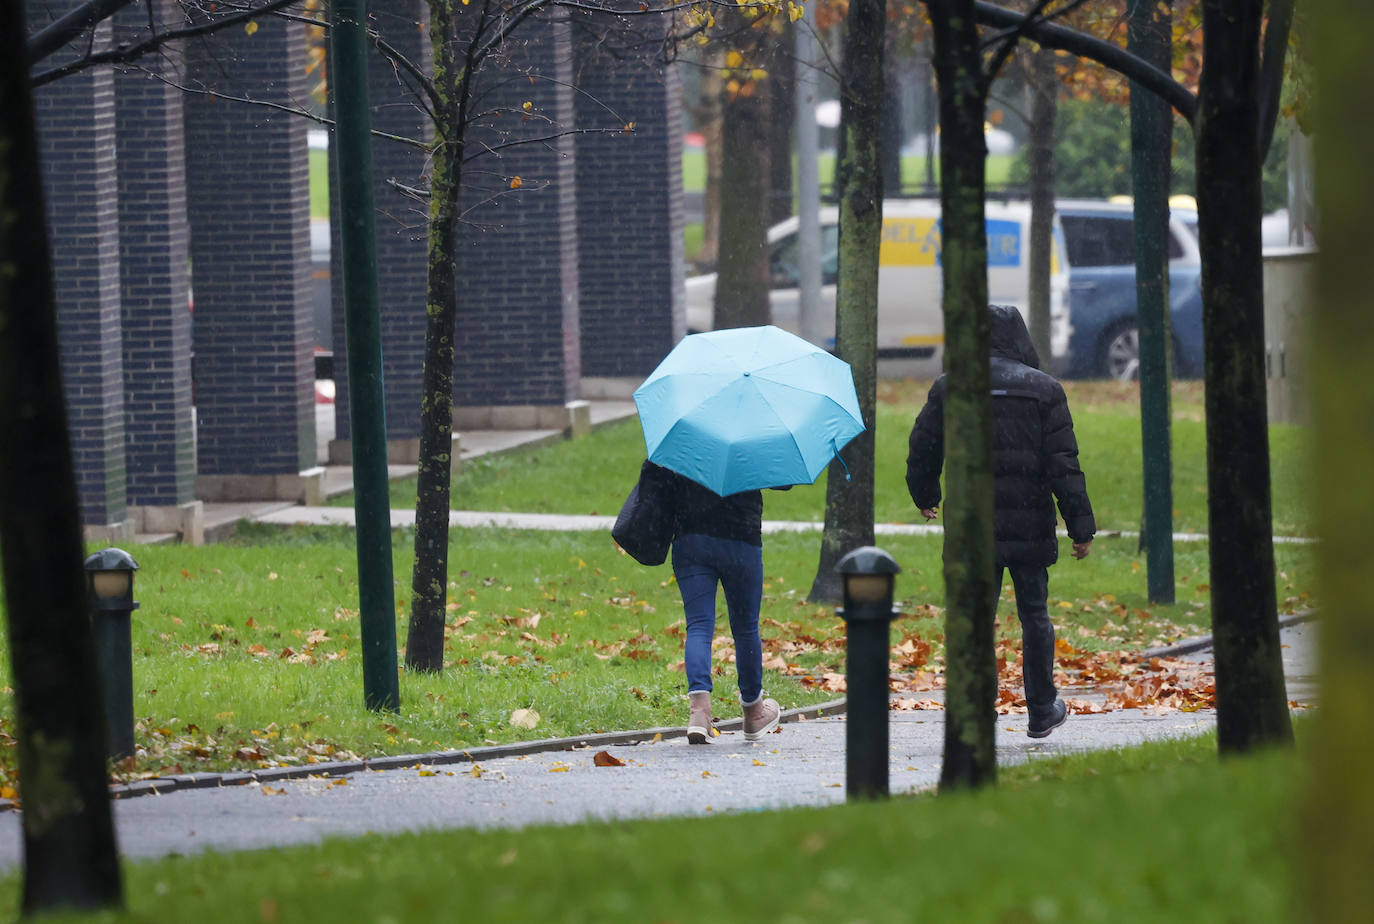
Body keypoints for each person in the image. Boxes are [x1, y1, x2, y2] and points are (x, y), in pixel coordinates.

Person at [905, 304, 1095, 738]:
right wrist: (1080, 527)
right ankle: (1042, 707)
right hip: (1029, 521)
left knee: (975, 618)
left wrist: (926, 494)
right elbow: (1063, 465)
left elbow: (924, 446)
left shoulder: (951, 388)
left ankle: (978, 709)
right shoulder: (1045, 391)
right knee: (1034, 615)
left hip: (973, 526)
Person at [649, 461, 783, 744]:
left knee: (698, 625)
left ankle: (699, 712)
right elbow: (782, 479)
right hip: (741, 540)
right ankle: (754, 713)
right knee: (746, 628)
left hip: (691, 538)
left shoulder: (687, 427)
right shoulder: (755, 428)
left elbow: (661, 478)